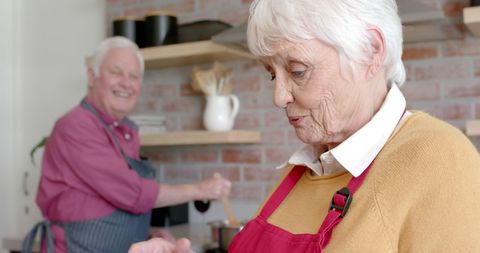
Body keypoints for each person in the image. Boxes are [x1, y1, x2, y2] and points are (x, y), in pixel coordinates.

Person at [127, 0, 480, 252]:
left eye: (297, 71)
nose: (279, 96)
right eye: (271, 74)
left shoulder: (437, 159)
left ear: (371, 51)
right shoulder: (301, 171)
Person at [22, 36, 231, 253]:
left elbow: (107, 203)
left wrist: (148, 236)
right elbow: (133, 193)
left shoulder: (125, 130)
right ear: (92, 76)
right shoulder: (76, 127)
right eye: (116, 72)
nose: (126, 83)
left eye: (134, 76)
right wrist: (199, 189)